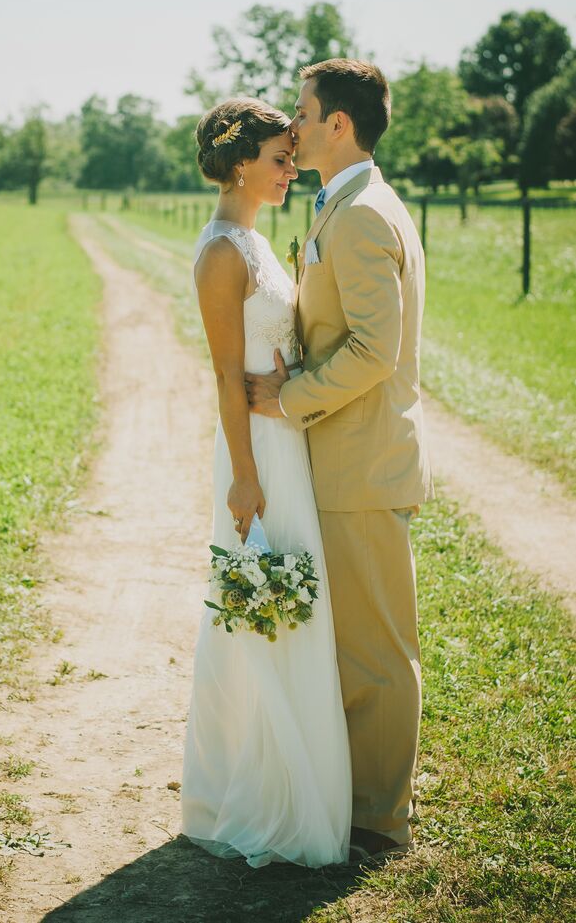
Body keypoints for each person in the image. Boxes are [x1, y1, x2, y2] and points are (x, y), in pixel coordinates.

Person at [245, 59, 434, 862]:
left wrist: (287, 400)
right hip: (345, 462)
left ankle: (379, 821)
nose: (292, 122)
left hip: (361, 464)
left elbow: (372, 351)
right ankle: (357, 798)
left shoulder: (359, 215)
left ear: (338, 125)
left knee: (377, 652)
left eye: (302, 109)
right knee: (354, 641)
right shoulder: (344, 203)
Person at [180, 97, 352, 868]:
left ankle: (296, 777)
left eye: (292, 156)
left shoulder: (252, 239)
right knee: (265, 605)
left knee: (292, 600)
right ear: (240, 161)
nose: (291, 169)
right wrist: (244, 478)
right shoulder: (221, 252)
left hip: (285, 437)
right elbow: (223, 373)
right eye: (280, 158)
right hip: (256, 456)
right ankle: (262, 790)